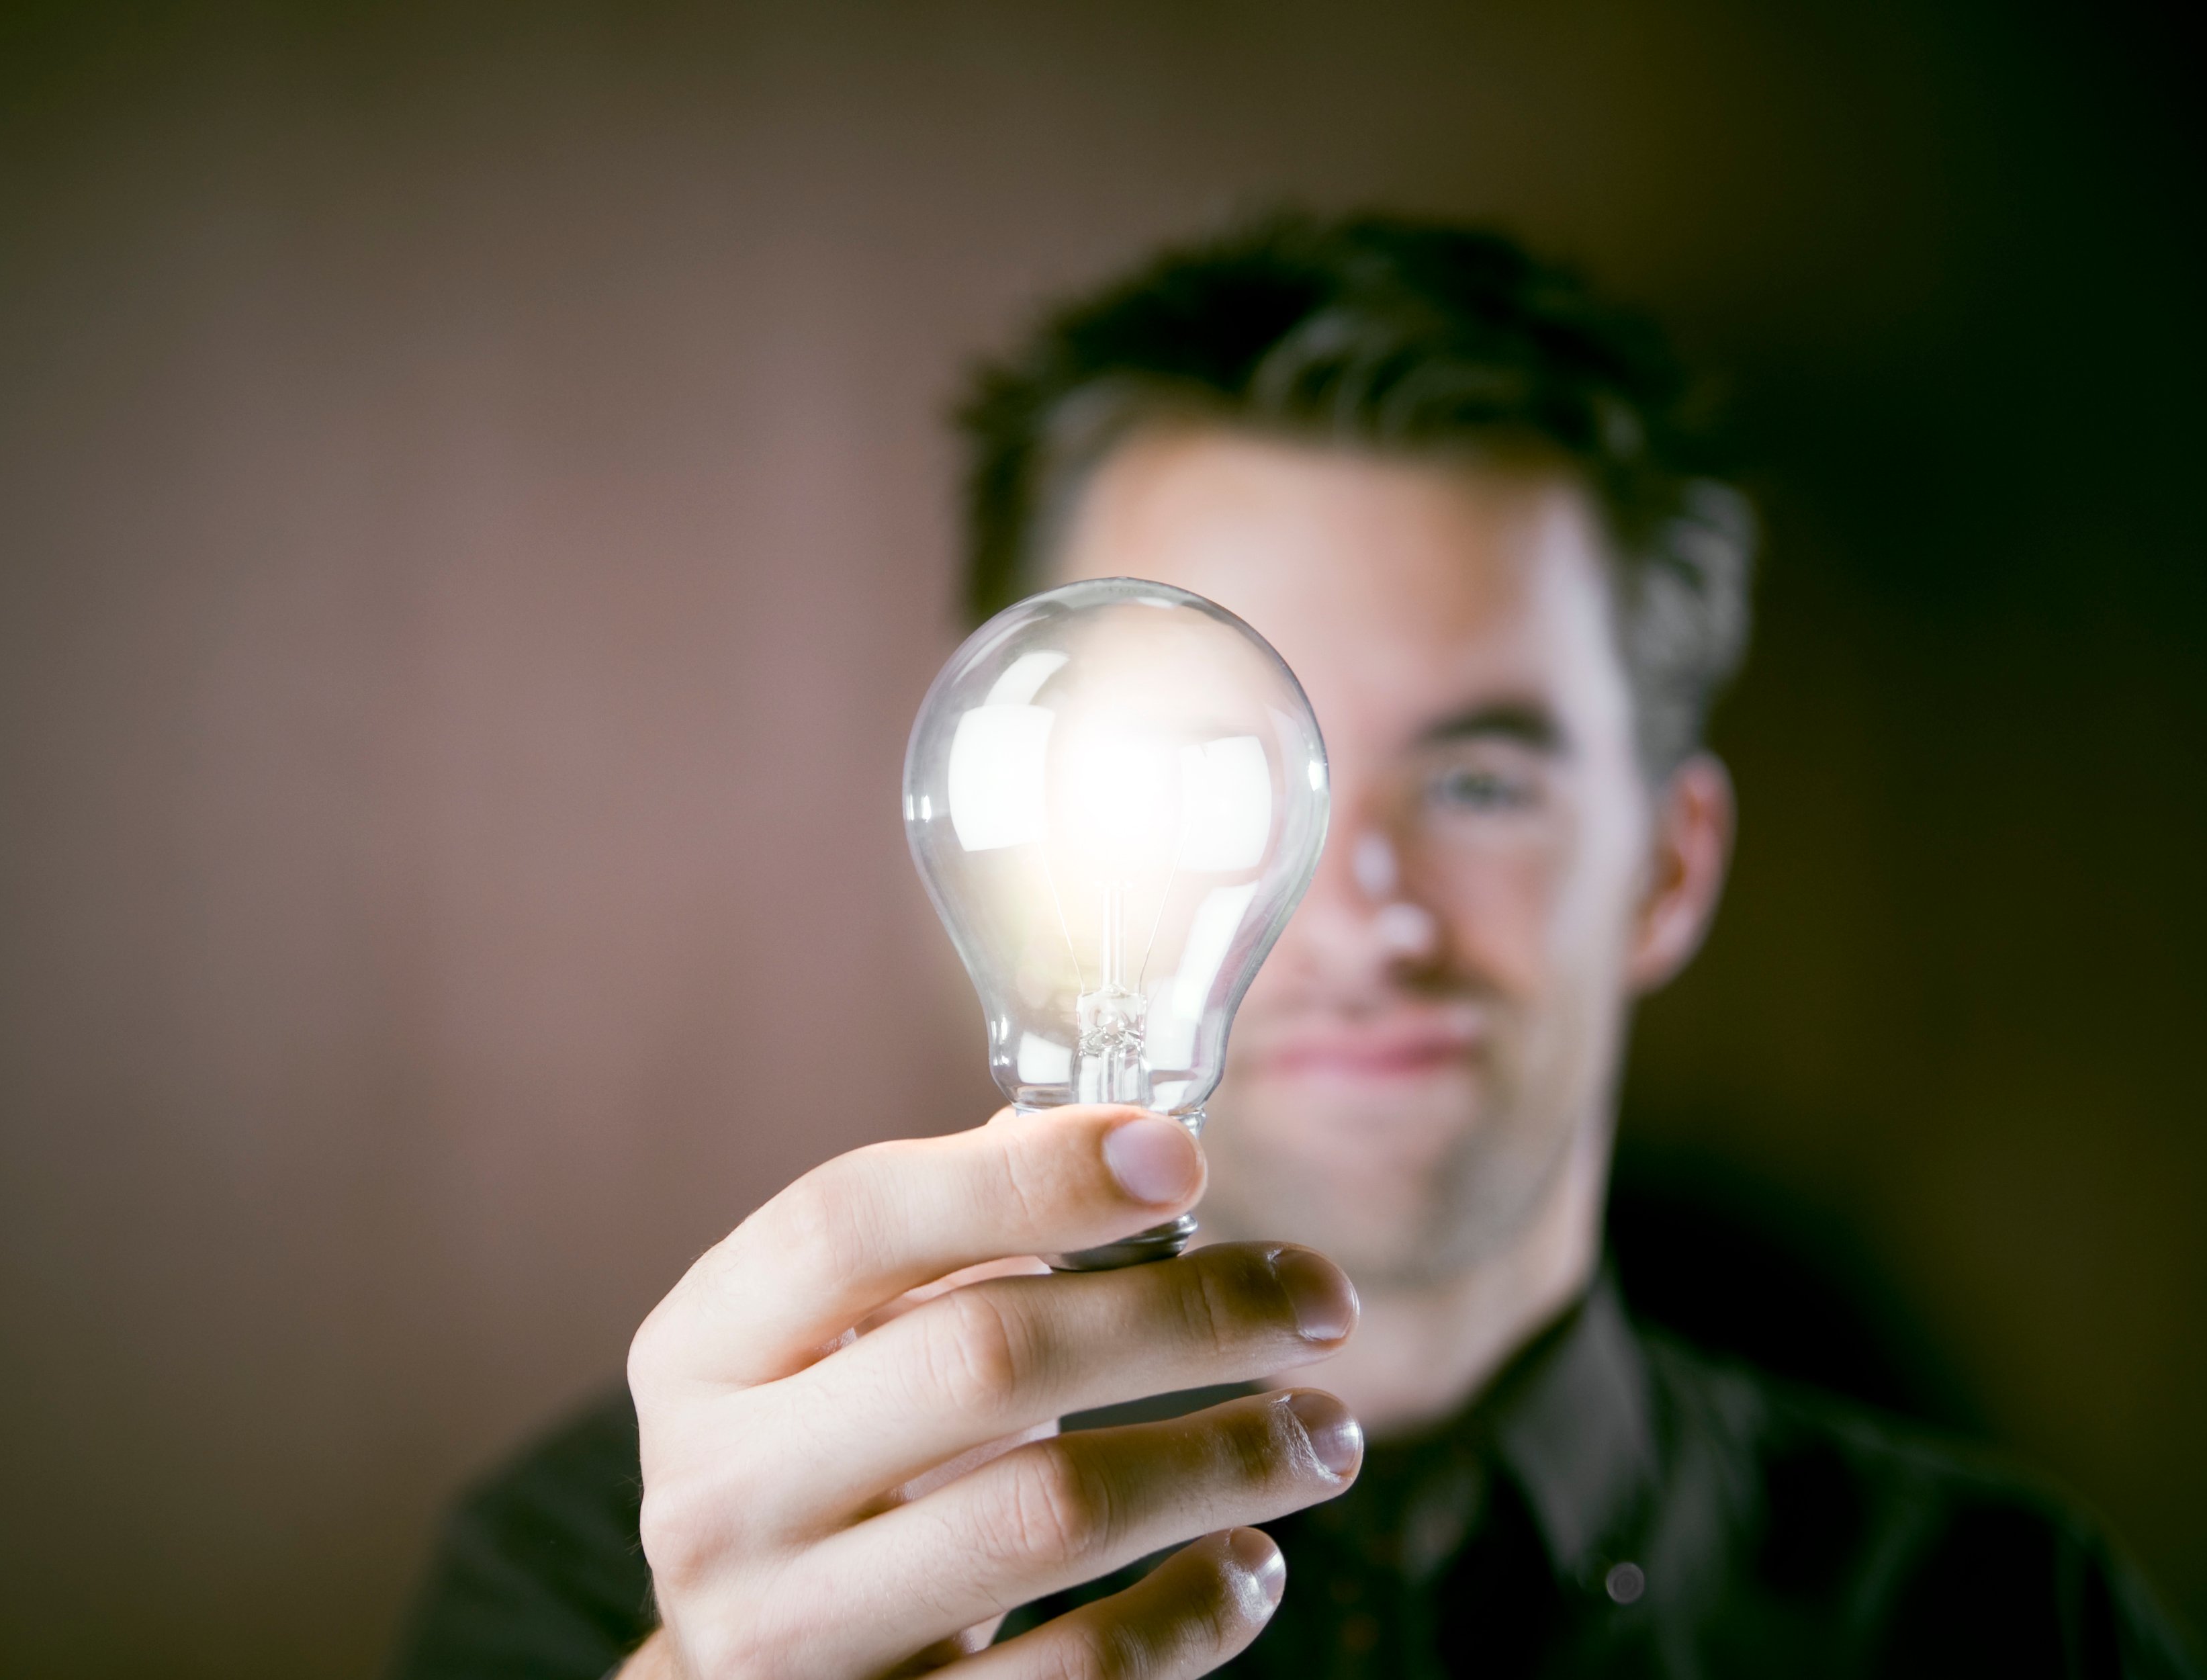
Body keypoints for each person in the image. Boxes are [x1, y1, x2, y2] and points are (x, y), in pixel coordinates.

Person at [390, 214, 2195, 1678]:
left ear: (1667, 867)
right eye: (1211, 775)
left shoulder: (2004, 1626)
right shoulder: (628, 1585)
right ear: (1017, 822)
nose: (1362, 912)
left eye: (1481, 780)